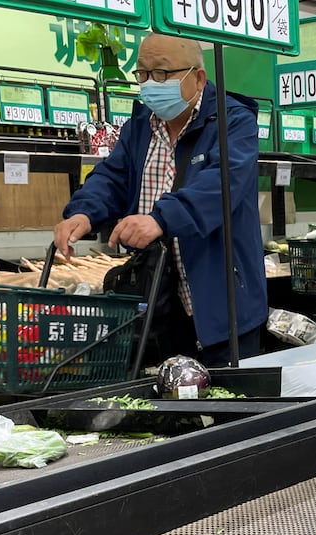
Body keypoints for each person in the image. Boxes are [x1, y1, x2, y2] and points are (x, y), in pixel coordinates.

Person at [54, 33, 266, 365]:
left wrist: (160, 219)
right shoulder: (139, 126)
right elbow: (113, 176)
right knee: (170, 405)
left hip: (222, 301)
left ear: (198, 77)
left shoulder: (232, 121)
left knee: (229, 403)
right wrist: (84, 213)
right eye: (143, 73)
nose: (151, 83)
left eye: (162, 73)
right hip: (159, 297)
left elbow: (222, 184)